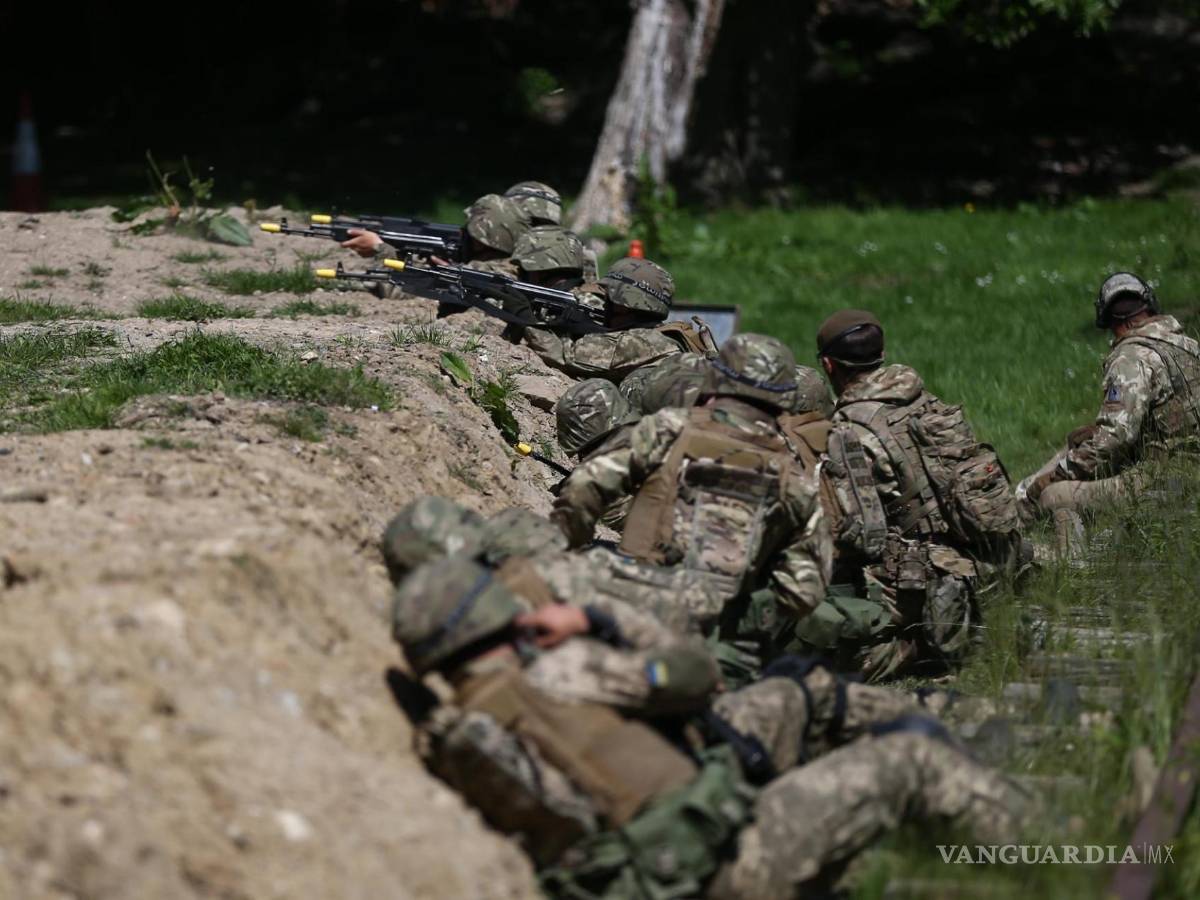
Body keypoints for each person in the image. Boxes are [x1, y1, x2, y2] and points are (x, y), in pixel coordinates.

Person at [389, 555, 1029, 899]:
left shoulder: (459, 729)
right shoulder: (564, 674)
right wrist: (591, 621)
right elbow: (695, 675)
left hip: (658, 874)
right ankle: (1064, 854)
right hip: (724, 865)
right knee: (908, 762)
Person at [552, 334, 831, 665]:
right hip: (724, 651)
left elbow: (586, 485)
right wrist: (734, 613)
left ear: (715, 378)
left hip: (638, 616)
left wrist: (568, 546)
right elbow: (804, 590)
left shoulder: (668, 430)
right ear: (786, 396)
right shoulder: (796, 476)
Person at [818, 310, 1021, 680]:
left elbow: (860, 534)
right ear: (881, 354)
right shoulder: (924, 399)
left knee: (824, 656)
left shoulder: (849, 431)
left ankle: (922, 647)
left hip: (926, 576)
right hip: (986, 554)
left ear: (829, 366)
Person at [1017, 272, 1200, 552]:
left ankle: (1071, 566)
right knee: (1080, 440)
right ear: (1150, 307)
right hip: (1188, 470)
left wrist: (1054, 477)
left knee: (1055, 495)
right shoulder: (1190, 347)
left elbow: (1115, 437)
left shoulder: (1131, 358)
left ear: (1111, 324)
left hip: (1166, 478)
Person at [521, 257, 717, 382]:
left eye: (609, 297)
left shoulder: (641, 342)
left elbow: (563, 354)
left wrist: (525, 315)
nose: (604, 304)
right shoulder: (662, 337)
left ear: (623, 304)